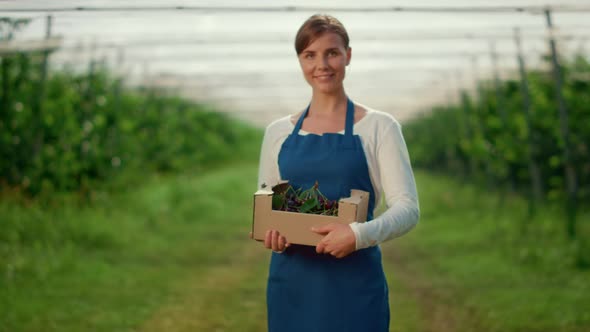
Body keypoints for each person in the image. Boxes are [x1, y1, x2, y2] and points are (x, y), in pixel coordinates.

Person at [255, 13, 420, 332]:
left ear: (348, 55)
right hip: (292, 285)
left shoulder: (379, 127)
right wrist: (271, 232)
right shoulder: (277, 133)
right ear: (300, 61)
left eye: (332, 52)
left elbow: (407, 208)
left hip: (354, 284)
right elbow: (269, 203)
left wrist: (358, 235)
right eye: (310, 55)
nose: (322, 64)